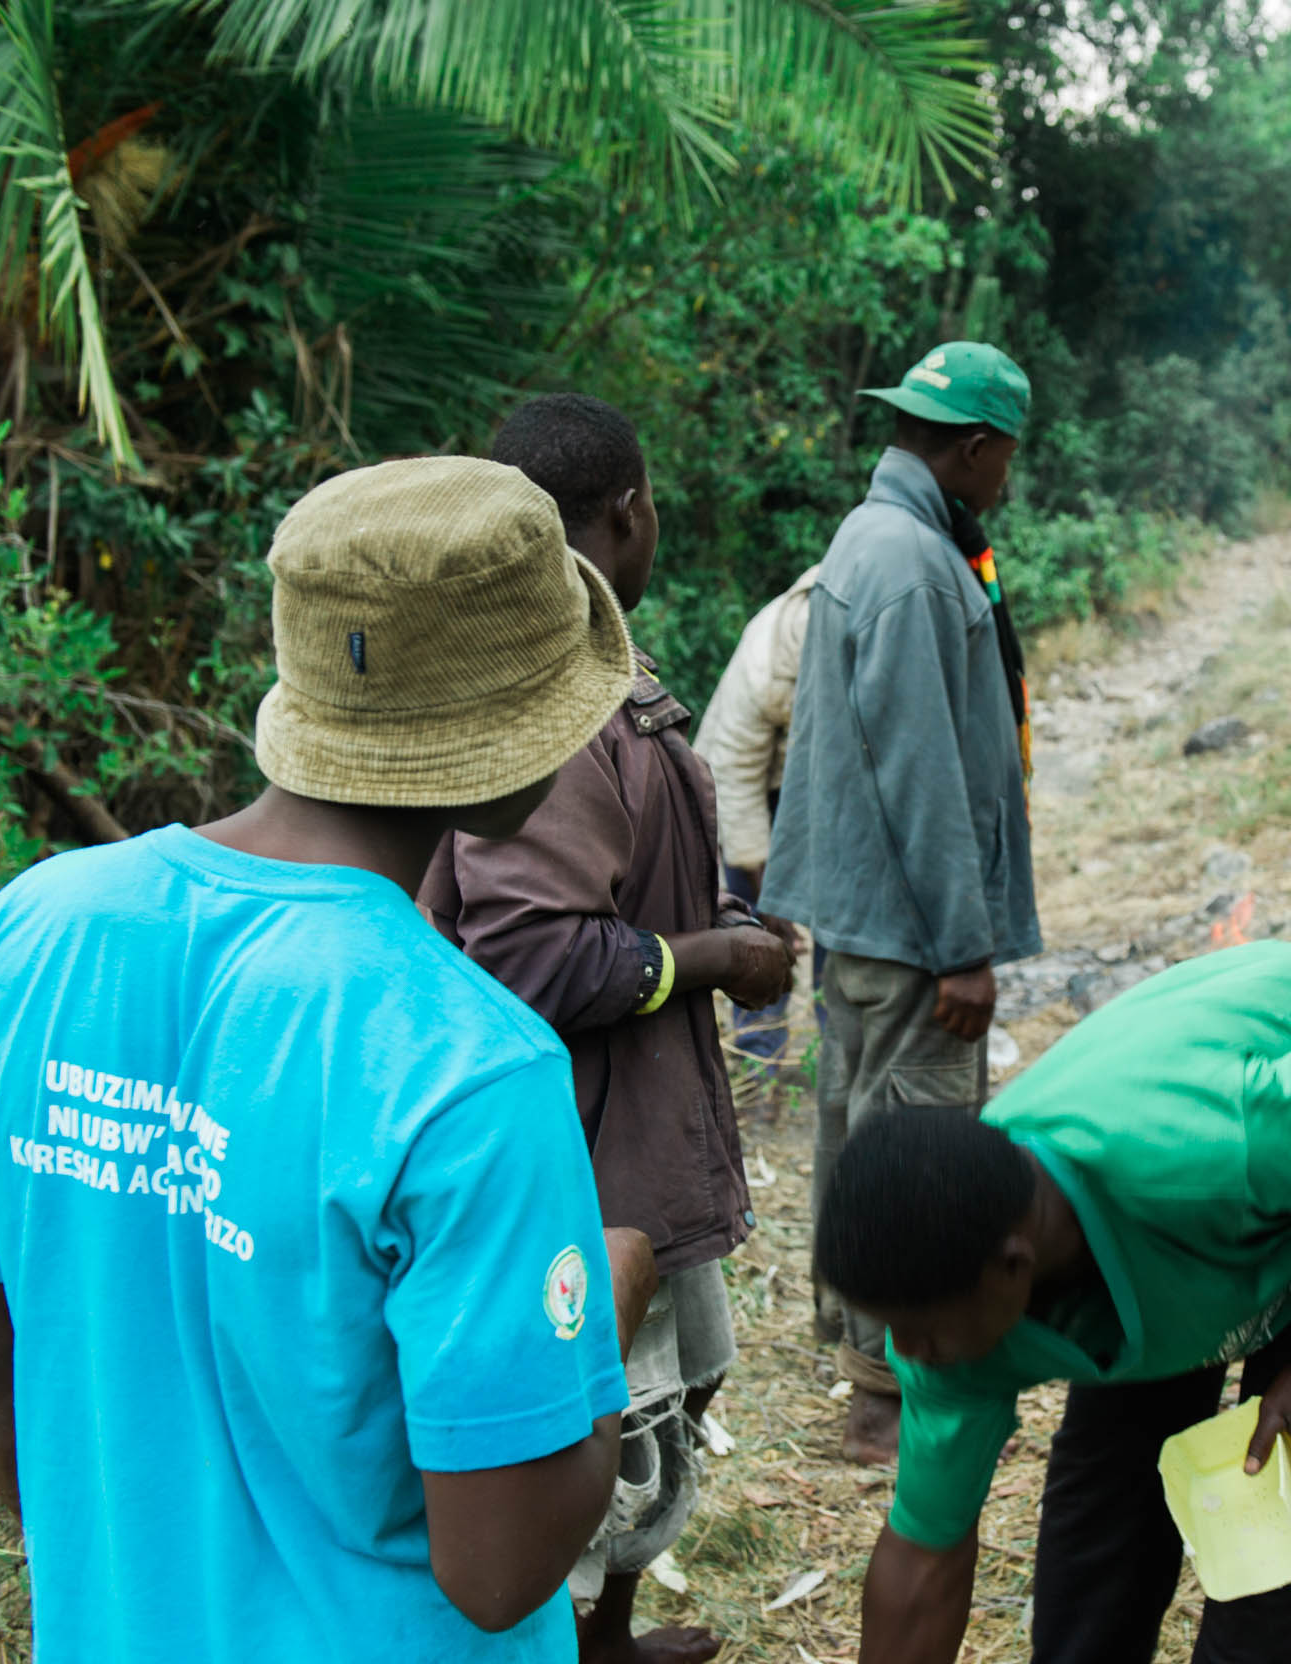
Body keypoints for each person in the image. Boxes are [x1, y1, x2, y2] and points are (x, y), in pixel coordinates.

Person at [0, 456, 654, 1664]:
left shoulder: (28, 933)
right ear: (520, 739)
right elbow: (501, 1566)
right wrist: (608, 1302)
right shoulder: (470, 1065)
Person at [420, 394, 793, 1664]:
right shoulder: (553, 704)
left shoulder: (594, 662)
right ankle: (570, 1642)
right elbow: (526, 950)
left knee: (676, 1378)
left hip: (648, 1116)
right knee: (589, 1408)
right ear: (628, 508)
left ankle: (614, 1636)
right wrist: (711, 957)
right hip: (580, 1144)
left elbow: (622, 887)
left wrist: (717, 919)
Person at [820, 942, 1291, 1664]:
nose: (909, 1357)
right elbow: (924, 1556)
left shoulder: (1210, 1147)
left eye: (919, 1333)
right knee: (1104, 1520)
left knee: (1281, 1530)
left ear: (1012, 1267)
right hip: (1172, 1212)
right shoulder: (949, 1280)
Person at [761, 341, 1043, 1465]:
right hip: (913, 930)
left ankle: (865, 1357)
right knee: (919, 1147)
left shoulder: (885, 539)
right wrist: (963, 947)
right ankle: (885, 1395)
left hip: (870, 919)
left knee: (860, 1130)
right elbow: (922, 770)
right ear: (974, 447)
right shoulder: (913, 565)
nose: (1010, 479)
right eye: (1008, 456)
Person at [690, 562, 821, 1084]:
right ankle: (759, 1061)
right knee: (759, 932)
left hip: (806, 785)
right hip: (746, 788)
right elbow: (736, 777)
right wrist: (774, 898)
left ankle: (841, 1045)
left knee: (841, 924)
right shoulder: (768, 660)